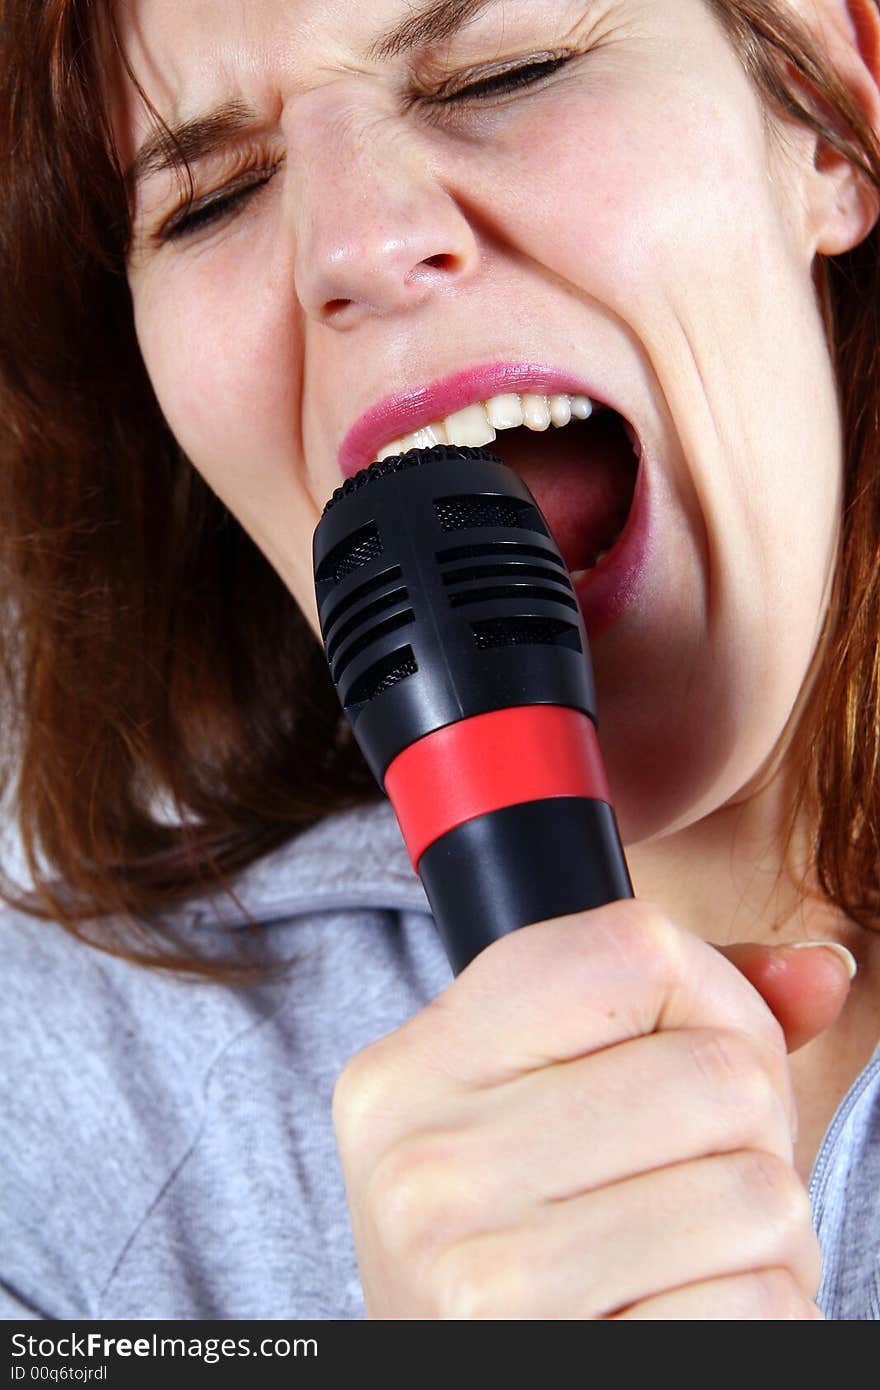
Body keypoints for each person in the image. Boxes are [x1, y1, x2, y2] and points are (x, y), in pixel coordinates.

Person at [0, 0, 879, 1321]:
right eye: (210, 199)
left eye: (504, 69)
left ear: (826, 113)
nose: (347, 245)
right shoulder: (53, 1133)